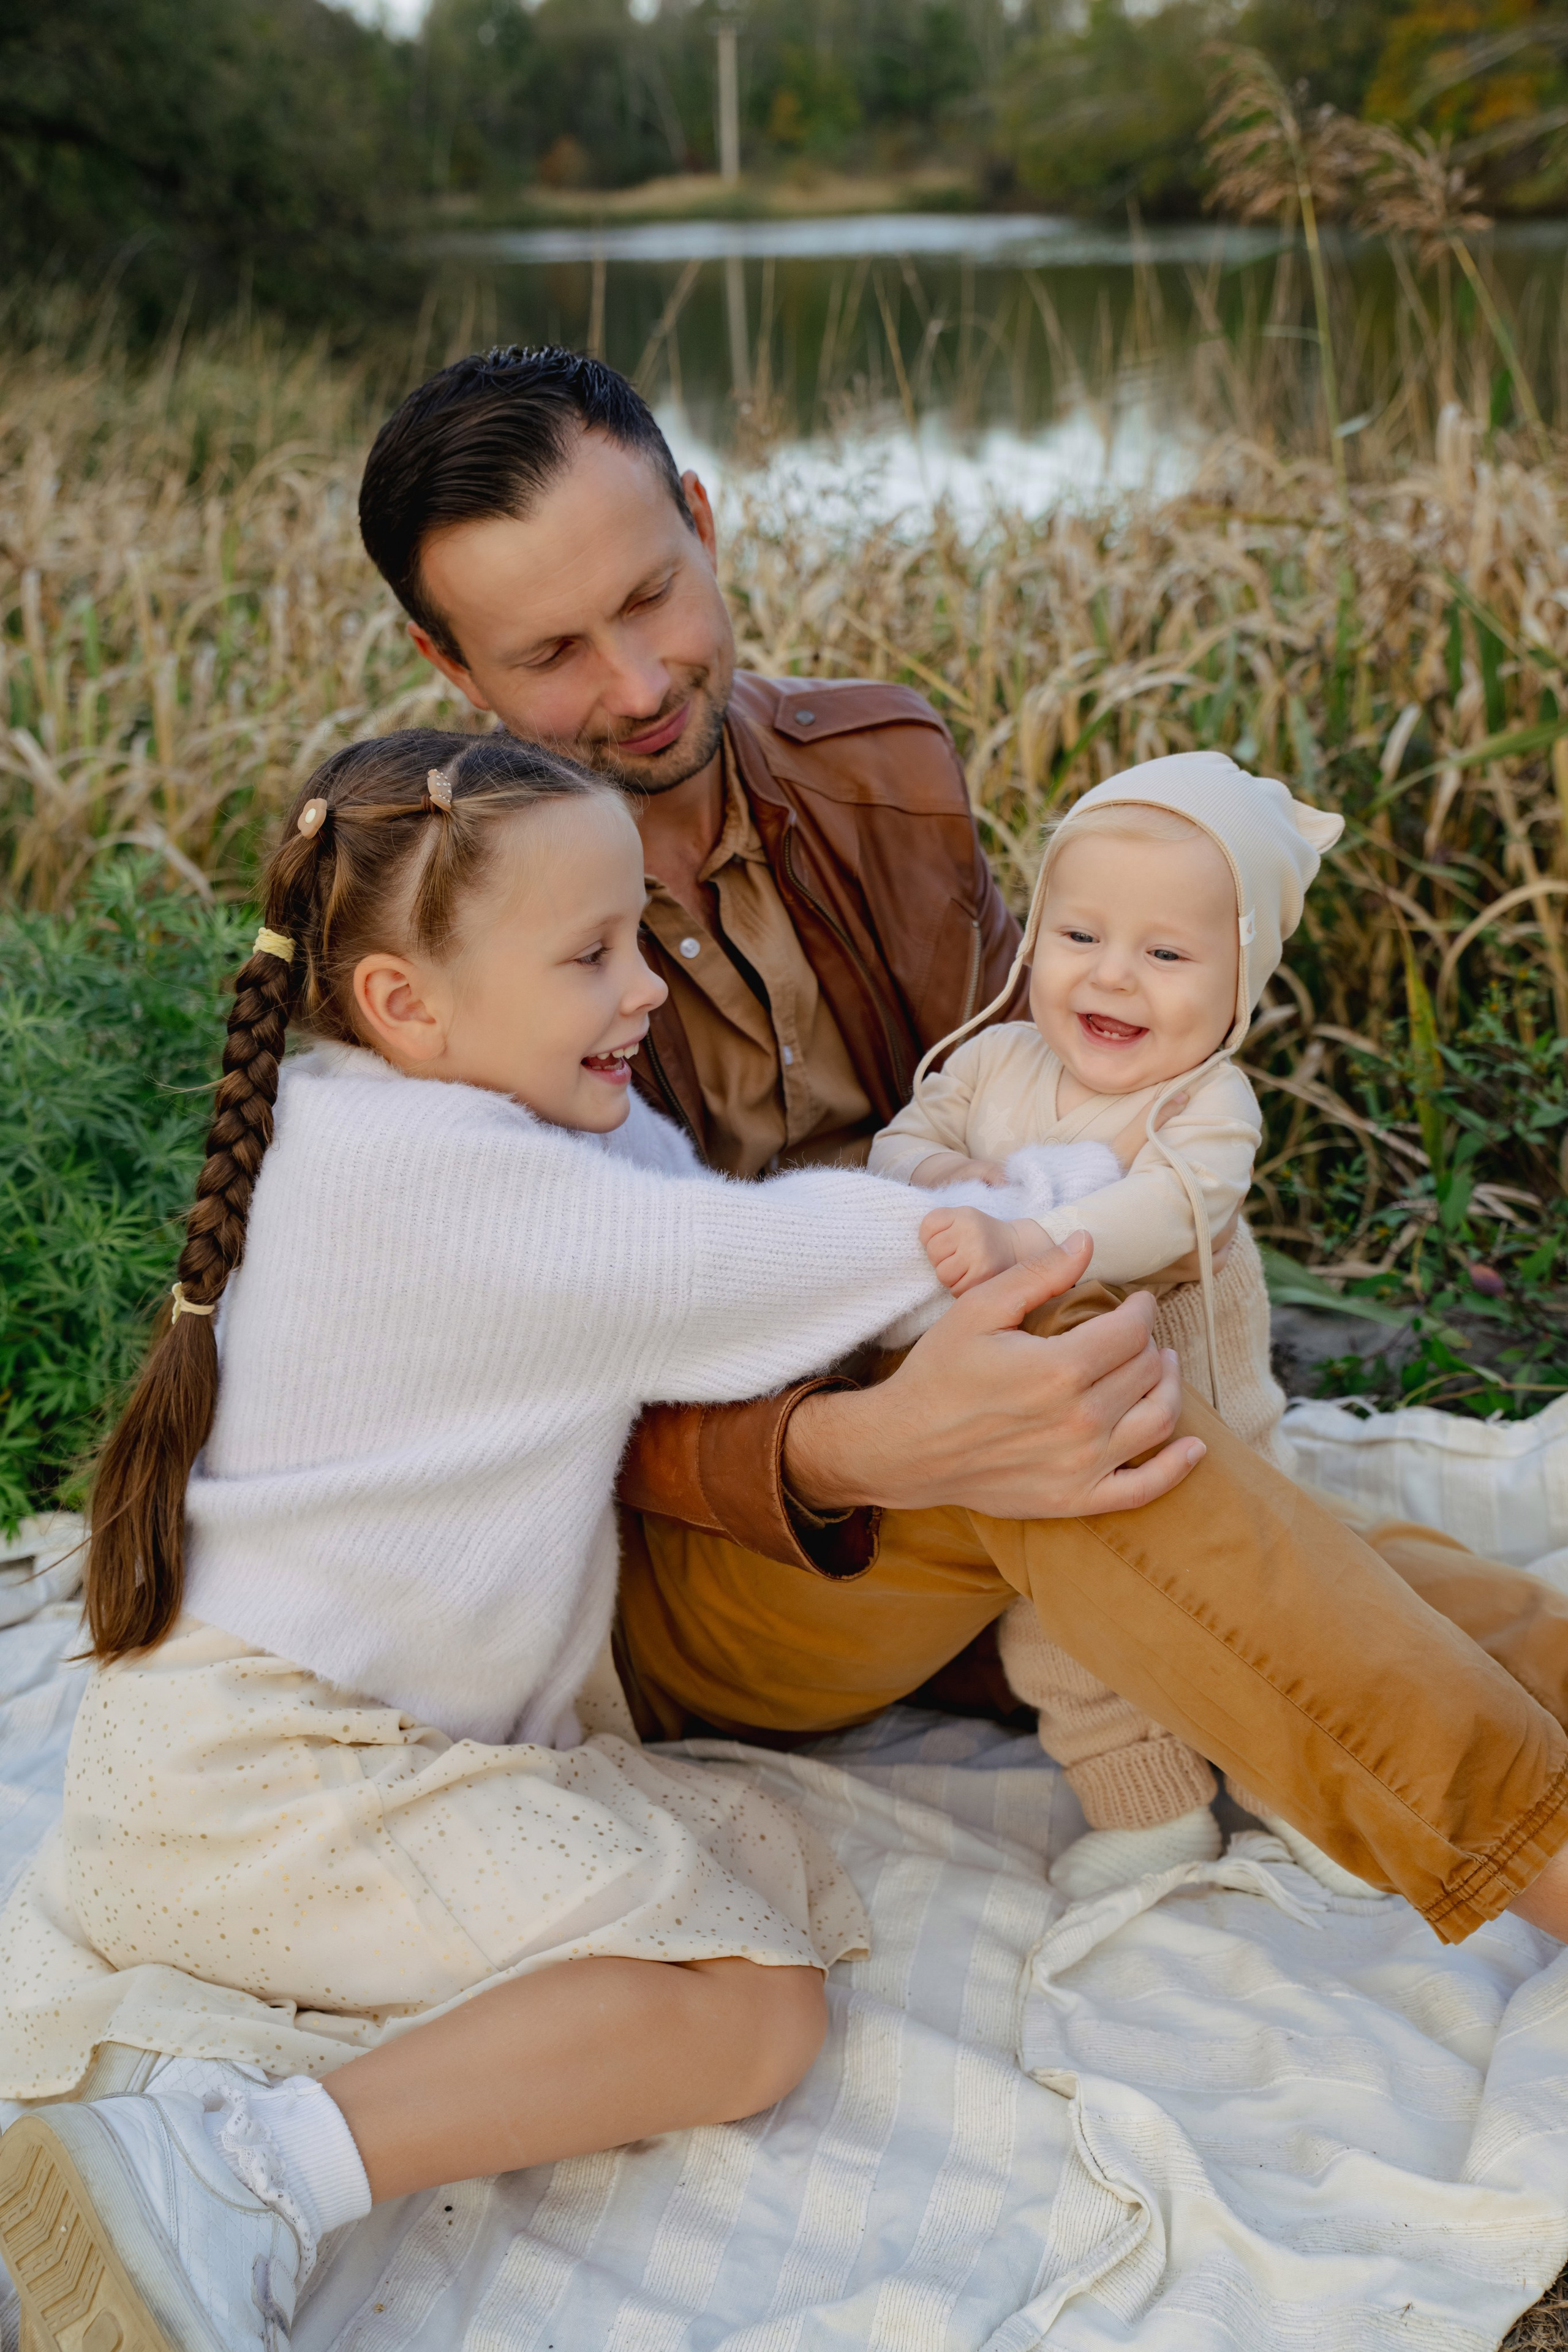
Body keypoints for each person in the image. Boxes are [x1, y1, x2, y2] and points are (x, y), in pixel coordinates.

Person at [355, 342, 1568, 1950]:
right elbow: (493, 1401)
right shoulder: (428, 941)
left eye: (652, 597)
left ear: (706, 521)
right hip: (714, 1560)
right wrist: (868, 1448)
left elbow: (1048, 1108)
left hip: (988, 1408)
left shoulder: (883, 766)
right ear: (446, 664)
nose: (638, 686)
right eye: (553, 653)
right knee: (1069, 1414)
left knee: (1287, 1528)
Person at [0, 729, 1118, 2352]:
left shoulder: (416, 1122)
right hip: (265, 1775)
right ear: (408, 1003)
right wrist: (1015, 1215)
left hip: (256, 1749)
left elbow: (701, 1230)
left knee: (719, 1904)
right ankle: (235, 2172)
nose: (646, 985)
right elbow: (740, 1273)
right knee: (750, 2003)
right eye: (590, 954)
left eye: (641, 934)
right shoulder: (456, 1186)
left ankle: (199, 2128)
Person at [873, 753, 1371, 1901]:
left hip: (1206, 1442)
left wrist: (1037, 1243)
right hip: (1055, 1468)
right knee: (1062, 1646)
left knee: (1267, 1627)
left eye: (1166, 953)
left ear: (1241, 978)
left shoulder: (1204, 1104)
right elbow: (898, 1145)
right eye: (1080, 936)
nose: (1113, 979)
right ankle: (1150, 1811)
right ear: (1032, 939)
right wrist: (944, 1165)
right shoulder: (994, 1060)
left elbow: (1169, 1210)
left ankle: (1304, 1784)